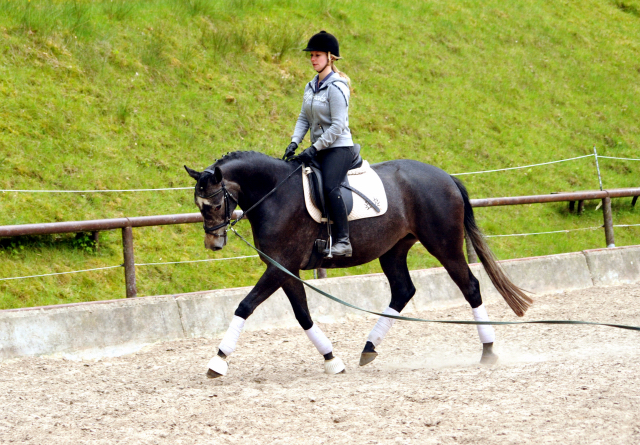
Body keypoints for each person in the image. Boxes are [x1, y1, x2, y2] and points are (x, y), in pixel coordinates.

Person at [283, 31, 354, 257]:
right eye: (311, 55)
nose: (313, 59)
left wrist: (314, 147)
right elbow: (304, 117)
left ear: (330, 57)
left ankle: (343, 240)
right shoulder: (310, 86)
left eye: (317, 55)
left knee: (330, 186)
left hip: (338, 148)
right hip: (320, 147)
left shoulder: (337, 87)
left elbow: (338, 125)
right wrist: (294, 142)